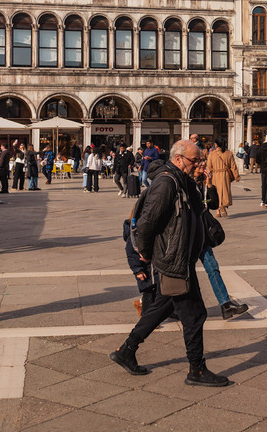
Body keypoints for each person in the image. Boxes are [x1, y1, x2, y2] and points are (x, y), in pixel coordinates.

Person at [109, 139, 231, 387]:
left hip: (180, 258)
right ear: (178, 159)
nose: (199, 163)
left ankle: (126, 351)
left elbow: (207, 208)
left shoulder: (184, 180)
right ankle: (196, 370)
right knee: (195, 315)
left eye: (200, 159)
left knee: (161, 308)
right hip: (174, 261)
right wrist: (144, 254)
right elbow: (146, 223)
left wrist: (203, 182)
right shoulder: (166, 184)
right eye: (194, 160)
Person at [206, 138, 239, 217]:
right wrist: (236, 176)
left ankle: (218, 211)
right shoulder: (229, 153)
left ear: (216, 144)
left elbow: (209, 166)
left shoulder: (212, 153)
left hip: (215, 175)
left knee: (215, 192)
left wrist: (207, 176)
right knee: (224, 192)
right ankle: (222, 206)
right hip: (225, 175)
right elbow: (233, 166)